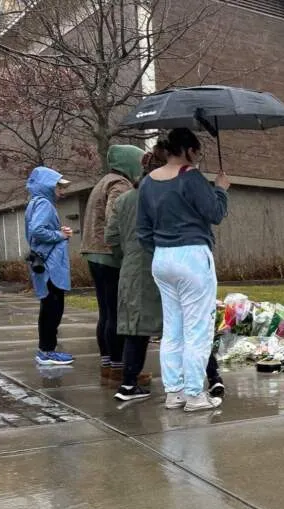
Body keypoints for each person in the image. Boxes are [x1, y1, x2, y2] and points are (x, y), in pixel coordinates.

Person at [137, 128, 229, 412]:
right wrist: (221, 190)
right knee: (198, 329)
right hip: (191, 256)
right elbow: (214, 213)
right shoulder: (190, 177)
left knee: (173, 328)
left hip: (162, 259)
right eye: (198, 151)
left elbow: (143, 231)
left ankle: (174, 391)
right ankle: (194, 394)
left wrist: (162, 249)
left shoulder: (148, 182)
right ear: (189, 151)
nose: (198, 157)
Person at [105, 146, 167, 401]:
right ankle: (129, 385)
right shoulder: (161, 197)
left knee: (134, 328)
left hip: (130, 267)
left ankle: (129, 381)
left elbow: (111, 237)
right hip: (155, 265)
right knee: (173, 326)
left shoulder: (123, 200)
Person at [81, 144, 145, 380]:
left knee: (105, 311)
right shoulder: (119, 184)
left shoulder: (103, 181)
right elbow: (115, 216)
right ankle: (119, 366)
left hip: (93, 253)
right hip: (110, 255)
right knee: (118, 312)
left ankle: (107, 362)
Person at [25, 166, 74, 366]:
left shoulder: (35, 203)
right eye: (59, 187)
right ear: (48, 186)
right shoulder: (45, 203)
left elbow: (38, 229)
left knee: (48, 307)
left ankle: (45, 350)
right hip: (50, 266)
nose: (62, 192)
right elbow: (37, 230)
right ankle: (47, 351)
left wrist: (56, 230)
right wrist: (59, 235)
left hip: (43, 263)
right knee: (53, 309)